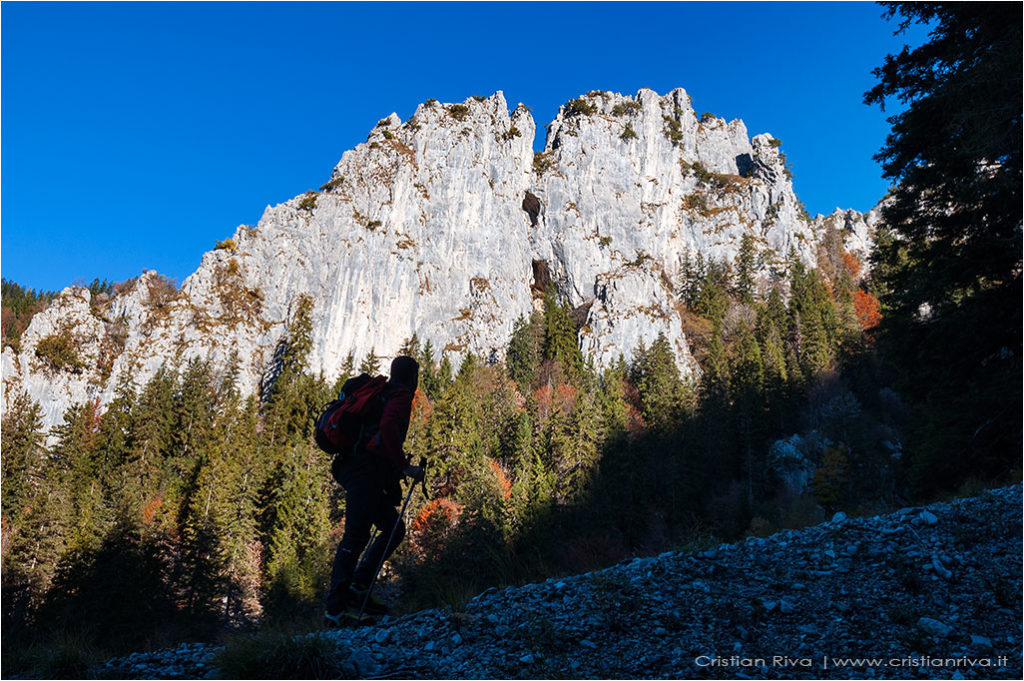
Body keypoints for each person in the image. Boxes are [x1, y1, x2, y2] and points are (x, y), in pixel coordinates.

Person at [325, 355, 424, 627]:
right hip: (363, 472)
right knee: (356, 536)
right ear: (411, 378)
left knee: (393, 527)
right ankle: (336, 610)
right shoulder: (401, 396)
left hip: (357, 469)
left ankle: (358, 589)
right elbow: (389, 427)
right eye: (416, 378)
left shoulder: (386, 393)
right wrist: (405, 467)